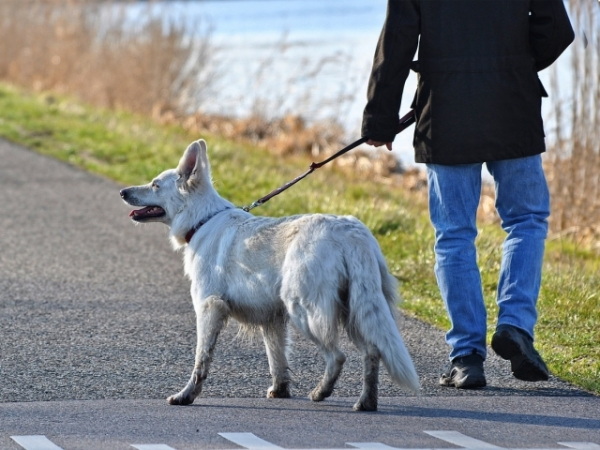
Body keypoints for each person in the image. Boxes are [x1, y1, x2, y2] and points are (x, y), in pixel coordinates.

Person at [362, 0, 574, 388]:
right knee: (526, 220)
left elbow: (397, 42)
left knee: (454, 233)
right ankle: (515, 326)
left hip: (446, 113)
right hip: (514, 105)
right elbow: (557, 31)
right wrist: (514, 65)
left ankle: (466, 357)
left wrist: (379, 118)